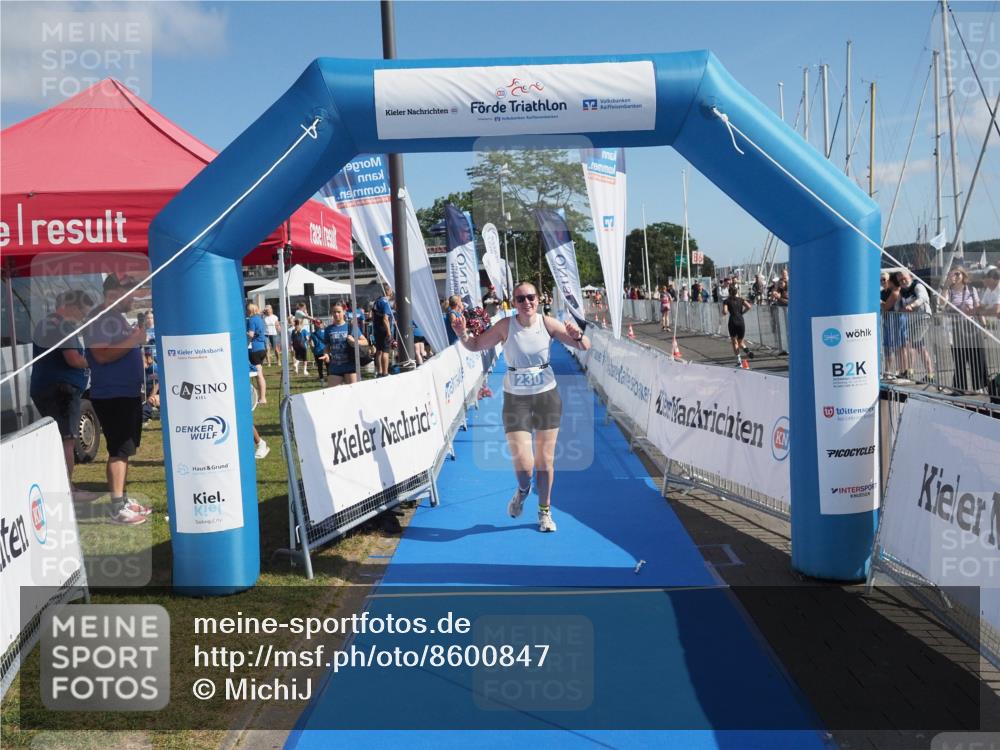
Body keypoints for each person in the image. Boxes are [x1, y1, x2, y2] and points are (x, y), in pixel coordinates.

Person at [452, 281, 590, 533]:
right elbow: (475, 345)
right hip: (516, 400)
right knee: (525, 466)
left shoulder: (547, 323)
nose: (527, 302)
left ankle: (544, 512)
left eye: (531, 297)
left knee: (545, 461)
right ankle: (523, 490)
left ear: (538, 299)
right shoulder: (506, 326)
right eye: (520, 299)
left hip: (546, 397)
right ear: (513, 303)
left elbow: (584, 346)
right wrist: (462, 333)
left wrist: (577, 335)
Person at [83, 275, 152, 525]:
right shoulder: (101, 318)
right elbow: (100, 355)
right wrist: (134, 340)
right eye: (130, 292)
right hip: (113, 394)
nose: (134, 297)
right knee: (119, 451)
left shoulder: (113, 317)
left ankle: (121, 501)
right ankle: (116, 508)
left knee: (123, 451)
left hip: (124, 393)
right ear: (113, 292)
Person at [29, 289, 94, 494]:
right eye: (82, 311)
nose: (83, 316)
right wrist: (94, 362)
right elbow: (73, 359)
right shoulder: (62, 326)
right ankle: (68, 489)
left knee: (58, 438)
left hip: (47, 387)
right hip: (62, 391)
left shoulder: (46, 324)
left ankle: (61, 485)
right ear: (71, 306)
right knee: (67, 439)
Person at [944, 266, 986, 392]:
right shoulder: (949, 291)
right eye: (952, 274)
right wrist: (946, 286)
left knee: (976, 357)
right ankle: (959, 388)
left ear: (963, 275)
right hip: (956, 327)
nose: (955, 276)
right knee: (959, 358)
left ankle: (979, 387)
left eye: (957, 274)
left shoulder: (971, 290)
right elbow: (941, 303)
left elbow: (977, 306)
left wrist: (983, 323)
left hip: (972, 326)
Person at [897, 270, 935, 383]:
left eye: (905, 278)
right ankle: (929, 374)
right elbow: (898, 304)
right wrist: (898, 309)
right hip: (912, 321)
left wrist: (912, 305)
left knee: (912, 344)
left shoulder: (917, 285)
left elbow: (922, 298)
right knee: (920, 346)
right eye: (900, 280)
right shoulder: (902, 291)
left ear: (910, 276)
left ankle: (910, 372)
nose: (903, 281)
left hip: (923, 318)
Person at [324, 303, 367, 386]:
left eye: (339, 312)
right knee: (333, 394)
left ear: (344, 312)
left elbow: (365, 342)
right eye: (334, 312)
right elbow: (327, 346)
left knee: (353, 394)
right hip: (335, 366)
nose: (336, 314)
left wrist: (354, 340)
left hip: (350, 365)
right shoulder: (328, 329)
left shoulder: (351, 327)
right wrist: (326, 354)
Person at [722, 285, 753, 368]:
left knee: (734, 342)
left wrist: (723, 311)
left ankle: (739, 361)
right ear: (737, 292)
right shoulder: (741, 300)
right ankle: (747, 350)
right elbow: (749, 306)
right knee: (740, 341)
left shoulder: (726, 301)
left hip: (732, 321)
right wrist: (742, 312)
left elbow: (725, 312)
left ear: (729, 292)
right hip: (741, 321)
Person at [246, 303, 268, 404]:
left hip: (255, 349)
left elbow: (251, 334)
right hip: (262, 348)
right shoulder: (260, 319)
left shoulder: (251, 320)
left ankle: (262, 398)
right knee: (260, 373)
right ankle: (262, 397)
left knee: (258, 374)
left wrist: (242, 333)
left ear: (250, 310)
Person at [372, 287, 395, 377]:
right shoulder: (385, 303)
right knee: (385, 351)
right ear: (389, 292)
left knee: (379, 351)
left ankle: (379, 372)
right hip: (384, 330)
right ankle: (385, 373)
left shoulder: (376, 301)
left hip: (377, 329)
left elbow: (373, 316)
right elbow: (385, 319)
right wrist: (389, 333)